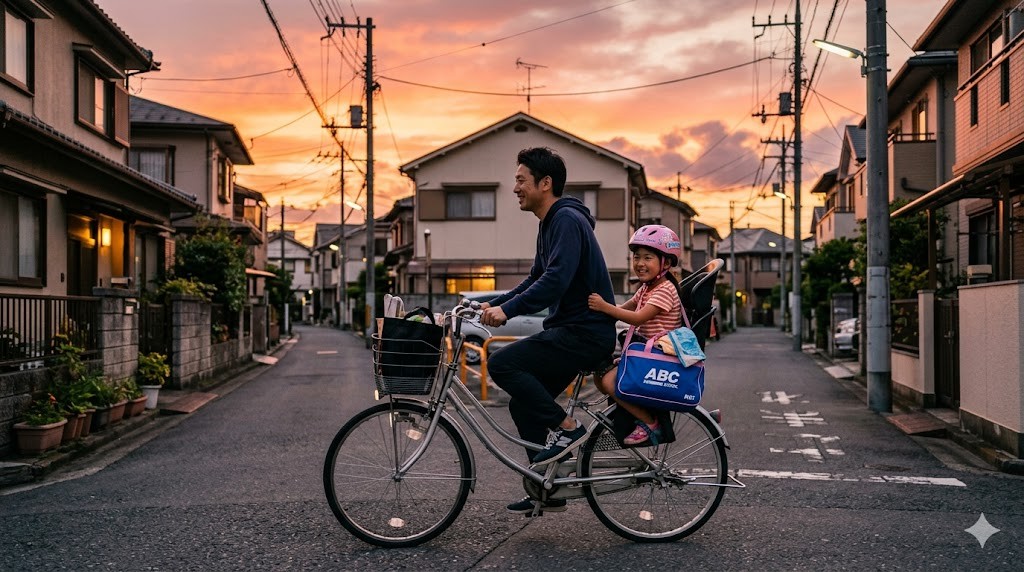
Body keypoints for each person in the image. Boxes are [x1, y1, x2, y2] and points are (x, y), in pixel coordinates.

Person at [479, 147, 616, 514]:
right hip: (573, 331)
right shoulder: (552, 222)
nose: (515, 188)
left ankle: (570, 429)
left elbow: (555, 281)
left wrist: (507, 310)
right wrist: (494, 303)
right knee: (526, 405)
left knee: (503, 364)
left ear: (545, 183)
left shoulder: (566, 220)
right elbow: (537, 277)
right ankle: (545, 484)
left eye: (521, 180)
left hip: (583, 333)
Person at [587, 225, 683, 446]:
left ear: (666, 263)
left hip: (659, 361)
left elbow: (638, 318)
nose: (640, 263)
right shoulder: (647, 288)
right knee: (601, 375)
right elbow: (626, 308)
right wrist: (598, 314)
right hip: (645, 355)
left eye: (648, 257)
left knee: (612, 383)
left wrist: (603, 307)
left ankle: (650, 423)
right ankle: (627, 417)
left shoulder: (665, 290)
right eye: (636, 257)